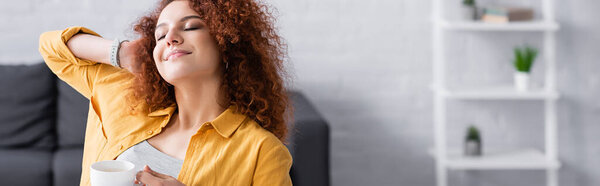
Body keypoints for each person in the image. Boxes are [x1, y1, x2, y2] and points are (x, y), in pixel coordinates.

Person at [39, 0, 292, 185]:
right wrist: (122, 52)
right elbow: (51, 48)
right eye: (159, 35)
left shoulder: (262, 151)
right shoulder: (127, 98)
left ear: (227, 41)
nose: (170, 37)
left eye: (191, 27)